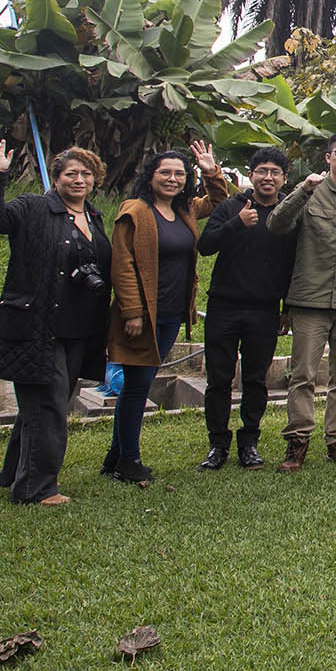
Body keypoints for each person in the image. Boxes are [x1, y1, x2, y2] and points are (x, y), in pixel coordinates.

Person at [0, 140, 110, 506]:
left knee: (42, 406)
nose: (79, 180)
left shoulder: (93, 218)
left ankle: (13, 475)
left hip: (78, 330)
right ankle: (36, 488)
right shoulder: (33, 207)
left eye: (86, 174)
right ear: (56, 177)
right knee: (47, 407)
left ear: (95, 179)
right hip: (37, 327)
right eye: (71, 173)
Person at [103, 141, 228, 485]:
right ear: (151, 176)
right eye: (165, 173)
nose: (172, 179)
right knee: (137, 386)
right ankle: (129, 460)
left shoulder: (184, 209)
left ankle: (115, 456)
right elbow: (122, 264)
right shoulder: (135, 211)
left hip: (172, 313)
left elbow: (220, 204)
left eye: (179, 174)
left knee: (138, 384)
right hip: (142, 314)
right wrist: (132, 311)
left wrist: (211, 172)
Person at [266, 130, 336, 472]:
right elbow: (275, 225)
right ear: (328, 157)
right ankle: (297, 441)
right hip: (309, 299)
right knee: (302, 374)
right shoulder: (309, 192)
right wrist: (302, 191)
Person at [195, 146, 298, 472]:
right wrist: (237, 224)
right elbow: (205, 246)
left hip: (265, 310)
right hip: (224, 306)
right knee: (219, 379)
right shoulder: (230, 206)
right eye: (262, 171)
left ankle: (249, 442)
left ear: (284, 178)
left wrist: (286, 308)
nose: (268, 177)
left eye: (275, 172)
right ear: (251, 175)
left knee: (255, 380)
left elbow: (293, 264)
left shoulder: (288, 213)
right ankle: (217, 444)